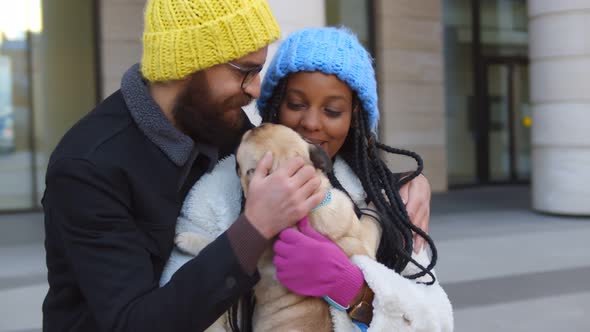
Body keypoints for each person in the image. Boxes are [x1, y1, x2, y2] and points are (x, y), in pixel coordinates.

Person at [40, 0, 433, 331]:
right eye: (245, 71)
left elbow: (315, 155)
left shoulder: (216, 121)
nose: (255, 89)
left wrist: (403, 186)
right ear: (189, 64)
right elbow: (134, 322)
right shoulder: (88, 167)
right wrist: (256, 227)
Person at [161, 27, 453, 331]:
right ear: (274, 104)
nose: (311, 123)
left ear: (355, 117)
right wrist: (247, 238)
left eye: (332, 110)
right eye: (296, 105)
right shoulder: (218, 193)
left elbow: (436, 321)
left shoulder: (387, 201)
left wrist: (353, 290)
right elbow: (179, 312)